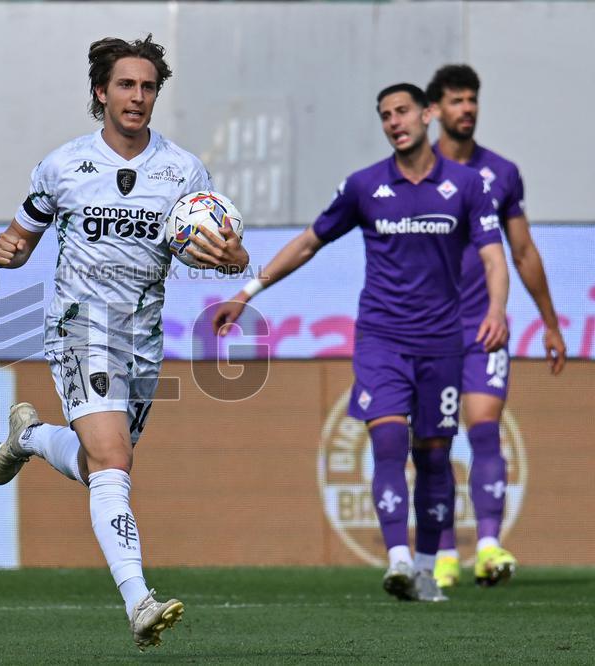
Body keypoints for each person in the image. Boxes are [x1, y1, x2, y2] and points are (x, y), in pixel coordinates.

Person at [0, 35, 248, 649]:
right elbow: (20, 236)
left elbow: (225, 252)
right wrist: (10, 250)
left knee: (100, 464)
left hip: (141, 337)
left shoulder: (184, 171)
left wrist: (233, 257)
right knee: (112, 460)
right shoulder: (63, 166)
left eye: (148, 87)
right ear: (100, 93)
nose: (137, 96)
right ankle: (139, 601)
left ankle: (29, 437)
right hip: (80, 326)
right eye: (125, 85)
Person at [212, 83, 510, 602]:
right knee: (388, 441)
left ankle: (425, 570)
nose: (394, 121)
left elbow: (493, 256)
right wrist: (247, 292)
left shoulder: (466, 185)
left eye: (402, 111)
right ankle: (398, 559)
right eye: (385, 115)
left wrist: (497, 310)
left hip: (443, 343)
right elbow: (309, 242)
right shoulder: (364, 186)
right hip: (381, 339)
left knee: (434, 456)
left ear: (427, 114)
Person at [426, 64, 566, 589]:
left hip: (485, 325)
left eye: (472, 100)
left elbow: (523, 250)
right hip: (429, 330)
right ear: (434, 110)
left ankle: (487, 547)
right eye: (456, 100)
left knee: (484, 428)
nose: (467, 109)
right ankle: (443, 554)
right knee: (435, 441)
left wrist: (549, 322)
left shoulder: (502, 173)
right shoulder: (415, 171)